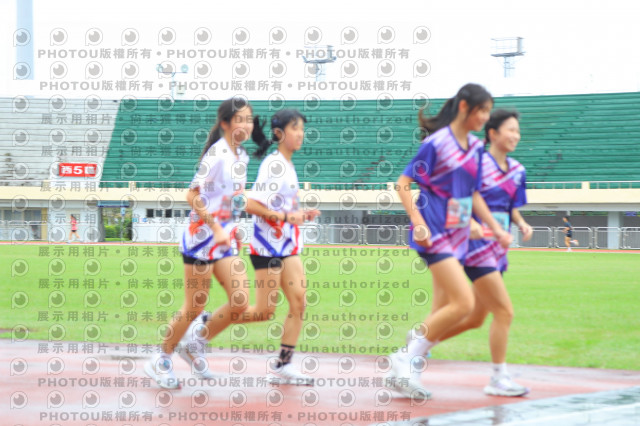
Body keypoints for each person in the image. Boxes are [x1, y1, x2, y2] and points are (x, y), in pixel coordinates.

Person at [387, 84, 512, 399]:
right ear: (464, 107)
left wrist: (490, 226)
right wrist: (417, 222)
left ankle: (407, 369)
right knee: (464, 303)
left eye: (488, 111)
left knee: (442, 309)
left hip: (457, 235)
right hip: (433, 232)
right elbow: (403, 183)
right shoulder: (437, 143)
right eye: (482, 110)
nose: (485, 117)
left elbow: (470, 193)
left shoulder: (475, 148)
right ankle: (405, 357)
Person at [184, 109, 321, 385]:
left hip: (288, 245)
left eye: (302, 129)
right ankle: (203, 327)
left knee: (299, 302)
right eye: (295, 128)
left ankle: (283, 365)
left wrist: (299, 214)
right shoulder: (274, 165)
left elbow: (280, 206)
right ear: (279, 133)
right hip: (267, 247)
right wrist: (284, 217)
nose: (301, 134)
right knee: (262, 311)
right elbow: (248, 202)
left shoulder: (287, 165)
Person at [145, 97, 263, 389]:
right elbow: (192, 195)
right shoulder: (217, 154)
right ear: (225, 123)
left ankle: (194, 344)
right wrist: (215, 227)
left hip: (223, 239)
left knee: (240, 301)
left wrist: (234, 226)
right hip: (201, 239)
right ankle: (161, 359)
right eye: (240, 119)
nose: (247, 125)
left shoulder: (241, 156)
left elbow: (234, 197)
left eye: (249, 120)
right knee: (194, 307)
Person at [419, 110, 533, 396]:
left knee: (475, 318)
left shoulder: (518, 170)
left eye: (518, 131)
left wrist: (521, 223)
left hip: (498, 247)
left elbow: (510, 206)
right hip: (474, 245)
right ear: (492, 133)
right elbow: (458, 194)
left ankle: (418, 344)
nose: (516, 136)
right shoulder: (475, 162)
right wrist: (466, 223)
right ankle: (498, 378)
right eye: (510, 130)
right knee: (504, 311)